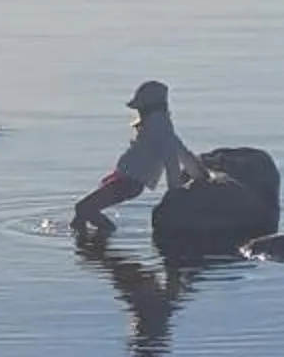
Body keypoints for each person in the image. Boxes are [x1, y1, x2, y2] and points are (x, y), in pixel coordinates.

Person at [71, 79, 206, 240]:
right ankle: (86, 240)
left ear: (148, 108)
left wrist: (174, 192)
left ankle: (103, 236)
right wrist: (199, 174)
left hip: (128, 183)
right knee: (83, 212)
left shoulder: (159, 128)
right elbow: (182, 152)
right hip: (125, 181)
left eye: (140, 108)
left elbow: (172, 161)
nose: (139, 112)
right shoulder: (159, 127)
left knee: (83, 209)